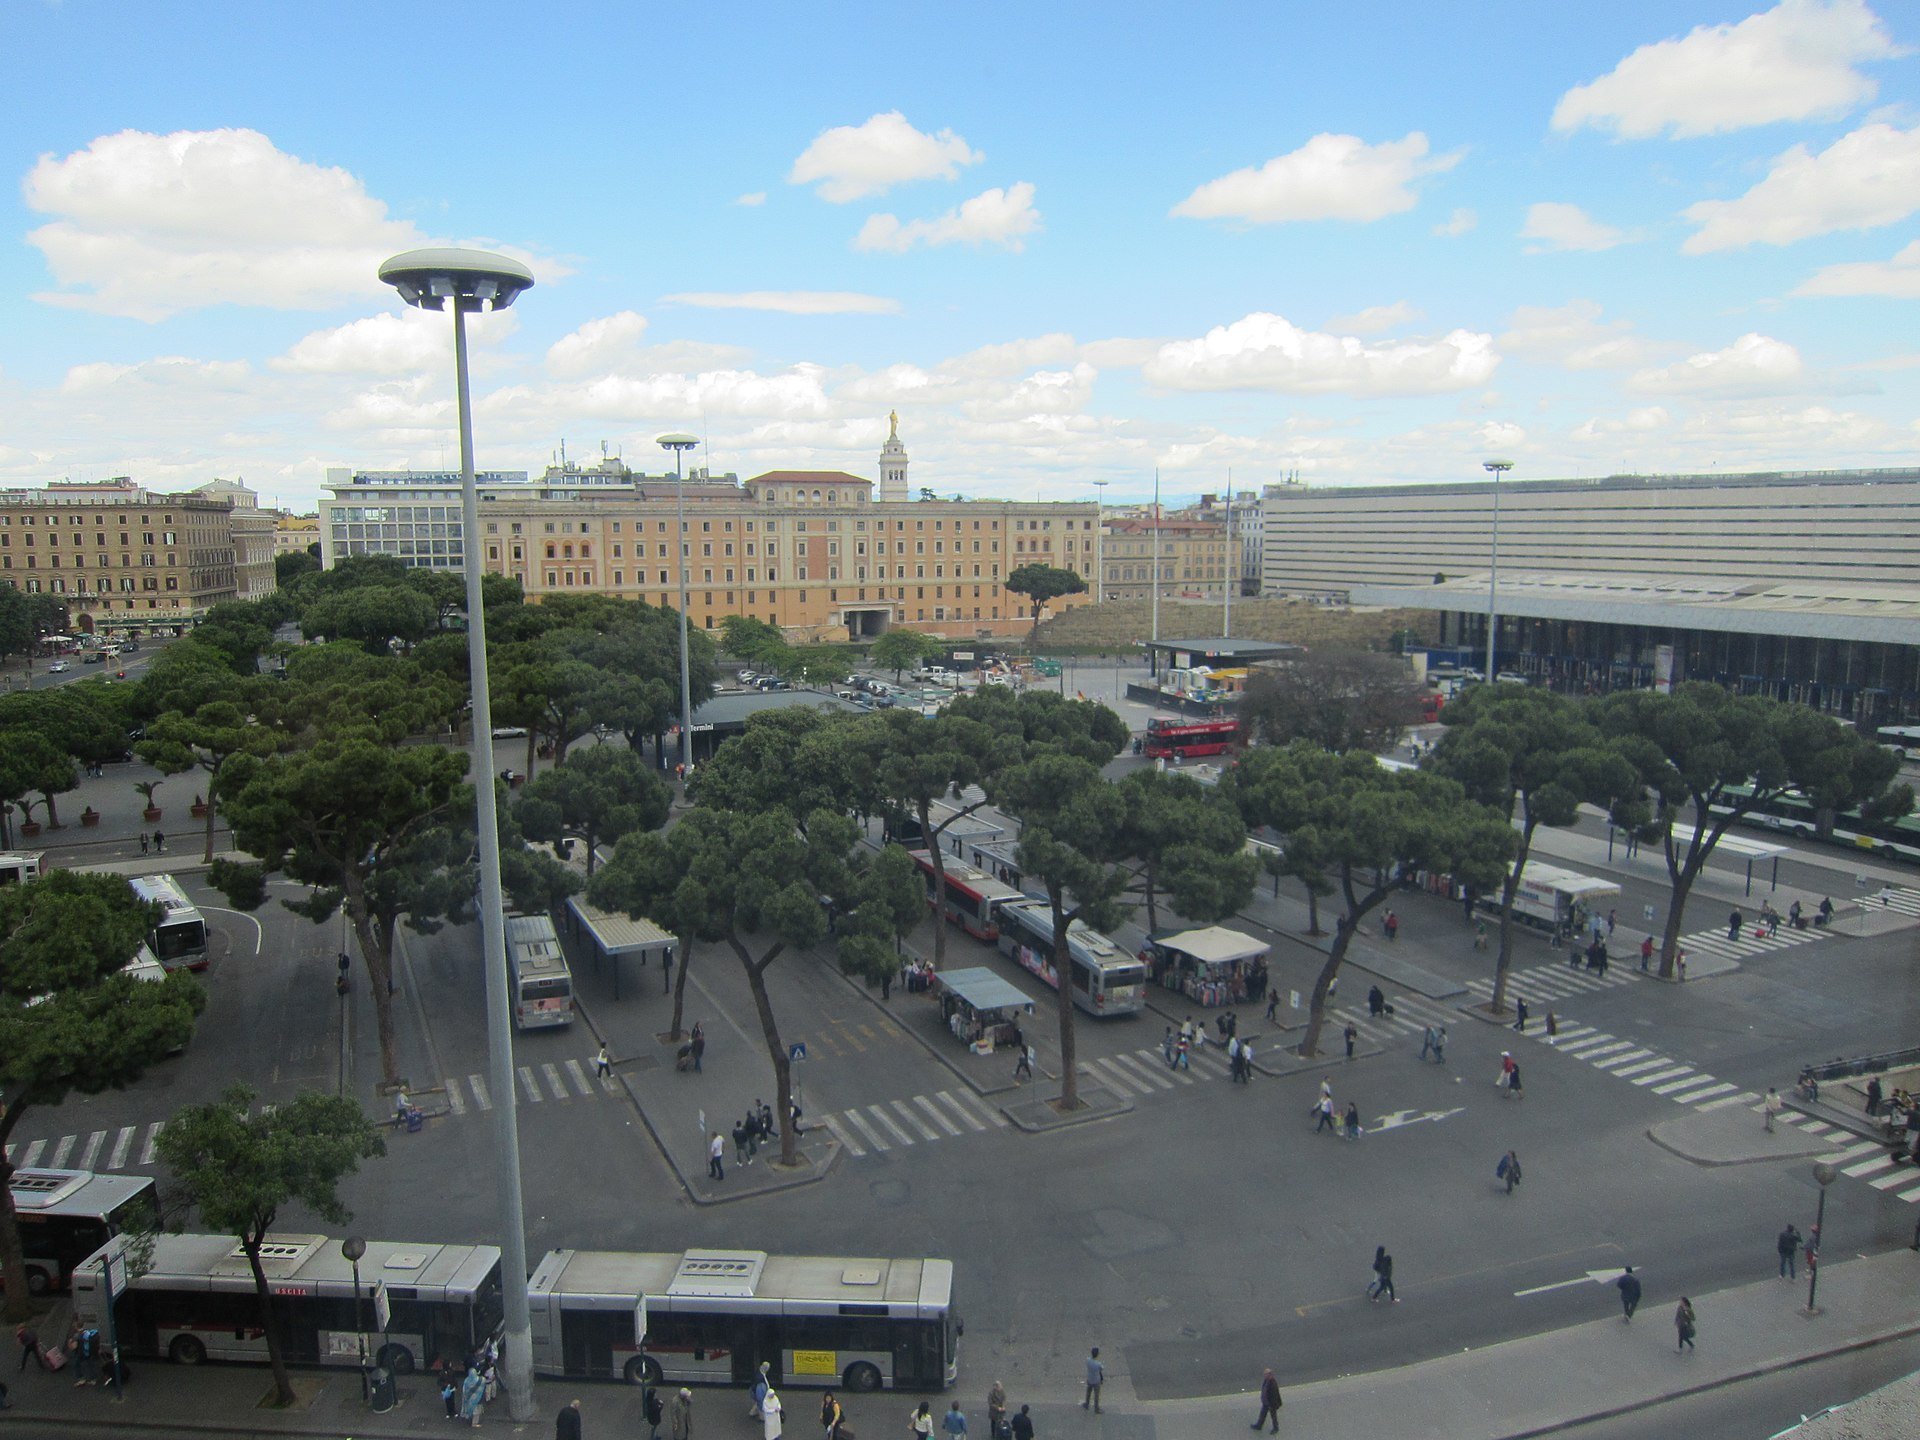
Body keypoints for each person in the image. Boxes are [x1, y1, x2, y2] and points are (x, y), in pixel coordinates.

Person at [1251, 1366, 1283, 1433]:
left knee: (1273, 1416)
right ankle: (1259, 1425)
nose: (1264, 1375)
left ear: (1269, 1374)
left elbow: (1274, 1396)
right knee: (1262, 1414)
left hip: (1271, 1403)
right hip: (1266, 1402)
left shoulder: (1272, 1383)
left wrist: (1271, 1405)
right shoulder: (1267, 1380)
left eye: (1265, 1374)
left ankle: (1275, 1428)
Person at [1083, 1347, 1105, 1412]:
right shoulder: (1098, 1364)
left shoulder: (1088, 1360)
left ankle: (1086, 1404)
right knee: (1096, 1395)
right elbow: (1101, 1368)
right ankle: (1096, 1408)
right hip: (1096, 1381)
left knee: (1088, 1392)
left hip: (1090, 1379)